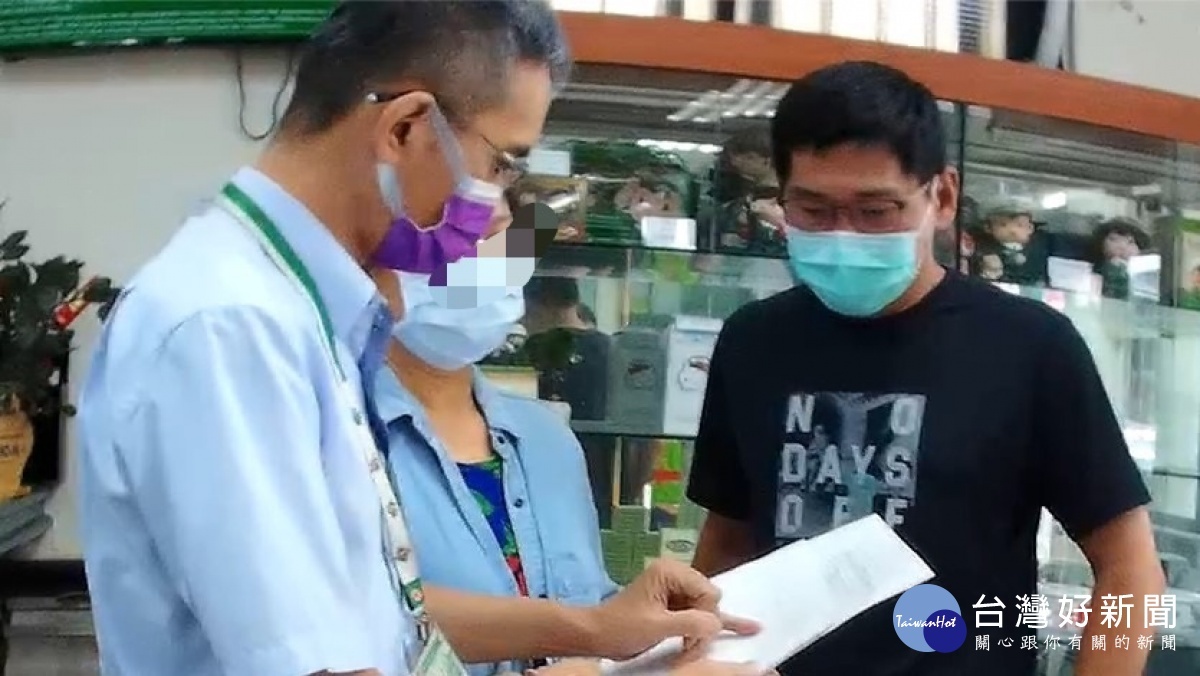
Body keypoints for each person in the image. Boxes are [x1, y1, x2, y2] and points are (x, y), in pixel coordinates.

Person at [77, 3, 756, 676]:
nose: (494, 216)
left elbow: (369, 609)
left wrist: (592, 629)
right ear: (404, 128)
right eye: (503, 165)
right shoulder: (234, 328)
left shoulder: (303, 313)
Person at [686, 61, 1164, 676]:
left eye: (875, 211)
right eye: (811, 208)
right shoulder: (753, 340)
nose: (842, 235)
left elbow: (1128, 564)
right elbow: (727, 542)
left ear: (941, 196)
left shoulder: (1030, 346)